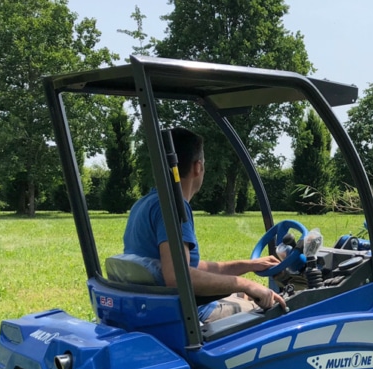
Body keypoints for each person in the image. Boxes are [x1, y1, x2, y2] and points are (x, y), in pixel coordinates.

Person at [122, 127, 286, 321]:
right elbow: (177, 276)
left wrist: (248, 265)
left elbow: (187, 266)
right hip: (187, 315)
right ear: (198, 167)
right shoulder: (173, 206)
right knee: (273, 311)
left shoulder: (145, 203)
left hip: (154, 307)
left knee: (246, 294)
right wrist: (245, 284)